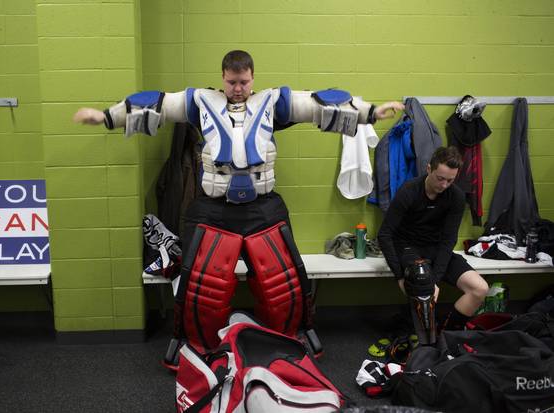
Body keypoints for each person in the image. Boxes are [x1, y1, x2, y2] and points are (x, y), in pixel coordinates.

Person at [74, 50, 405, 367]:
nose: (238, 89)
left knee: (285, 284)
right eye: (232, 82)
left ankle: (289, 337)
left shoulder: (272, 103)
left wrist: (370, 112)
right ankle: (198, 346)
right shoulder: (200, 102)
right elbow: (156, 104)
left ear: (252, 78)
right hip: (213, 208)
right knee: (200, 288)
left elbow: (318, 103)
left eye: (244, 82)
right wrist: (106, 117)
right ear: (222, 77)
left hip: (263, 206)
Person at [377, 146, 489, 331]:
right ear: (429, 168)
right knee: (423, 283)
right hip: (408, 246)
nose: (444, 185)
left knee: (480, 289)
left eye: (450, 180)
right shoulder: (409, 191)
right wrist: (399, 276)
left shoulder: (456, 196)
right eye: (440, 178)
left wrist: (435, 280)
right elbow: (385, 234)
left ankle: (448, 334)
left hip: (436, 248)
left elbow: (448, 240)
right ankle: (417, 337)